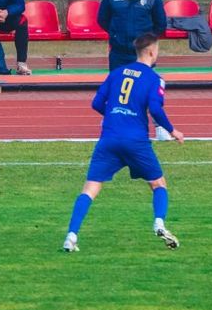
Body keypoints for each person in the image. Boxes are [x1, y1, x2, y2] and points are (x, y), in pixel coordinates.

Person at [62, 34, 183, 253]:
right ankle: (159, 223)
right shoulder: (154, 78)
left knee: (90, 188)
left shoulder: (116, 73)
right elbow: (155, 109)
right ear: (151, 52)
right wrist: (173, 130)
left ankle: (71, 236)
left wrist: (113, 116)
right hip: (135, 140)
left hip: (109, 138)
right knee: (158, 184)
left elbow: (97, 102)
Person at [97, 0, 166, 72]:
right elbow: (102, 19)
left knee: (143, 86)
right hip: (118, 53)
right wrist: (115, 33)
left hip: (142, 53)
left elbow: (160, 23)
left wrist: (147, 39)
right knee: (117, 86)